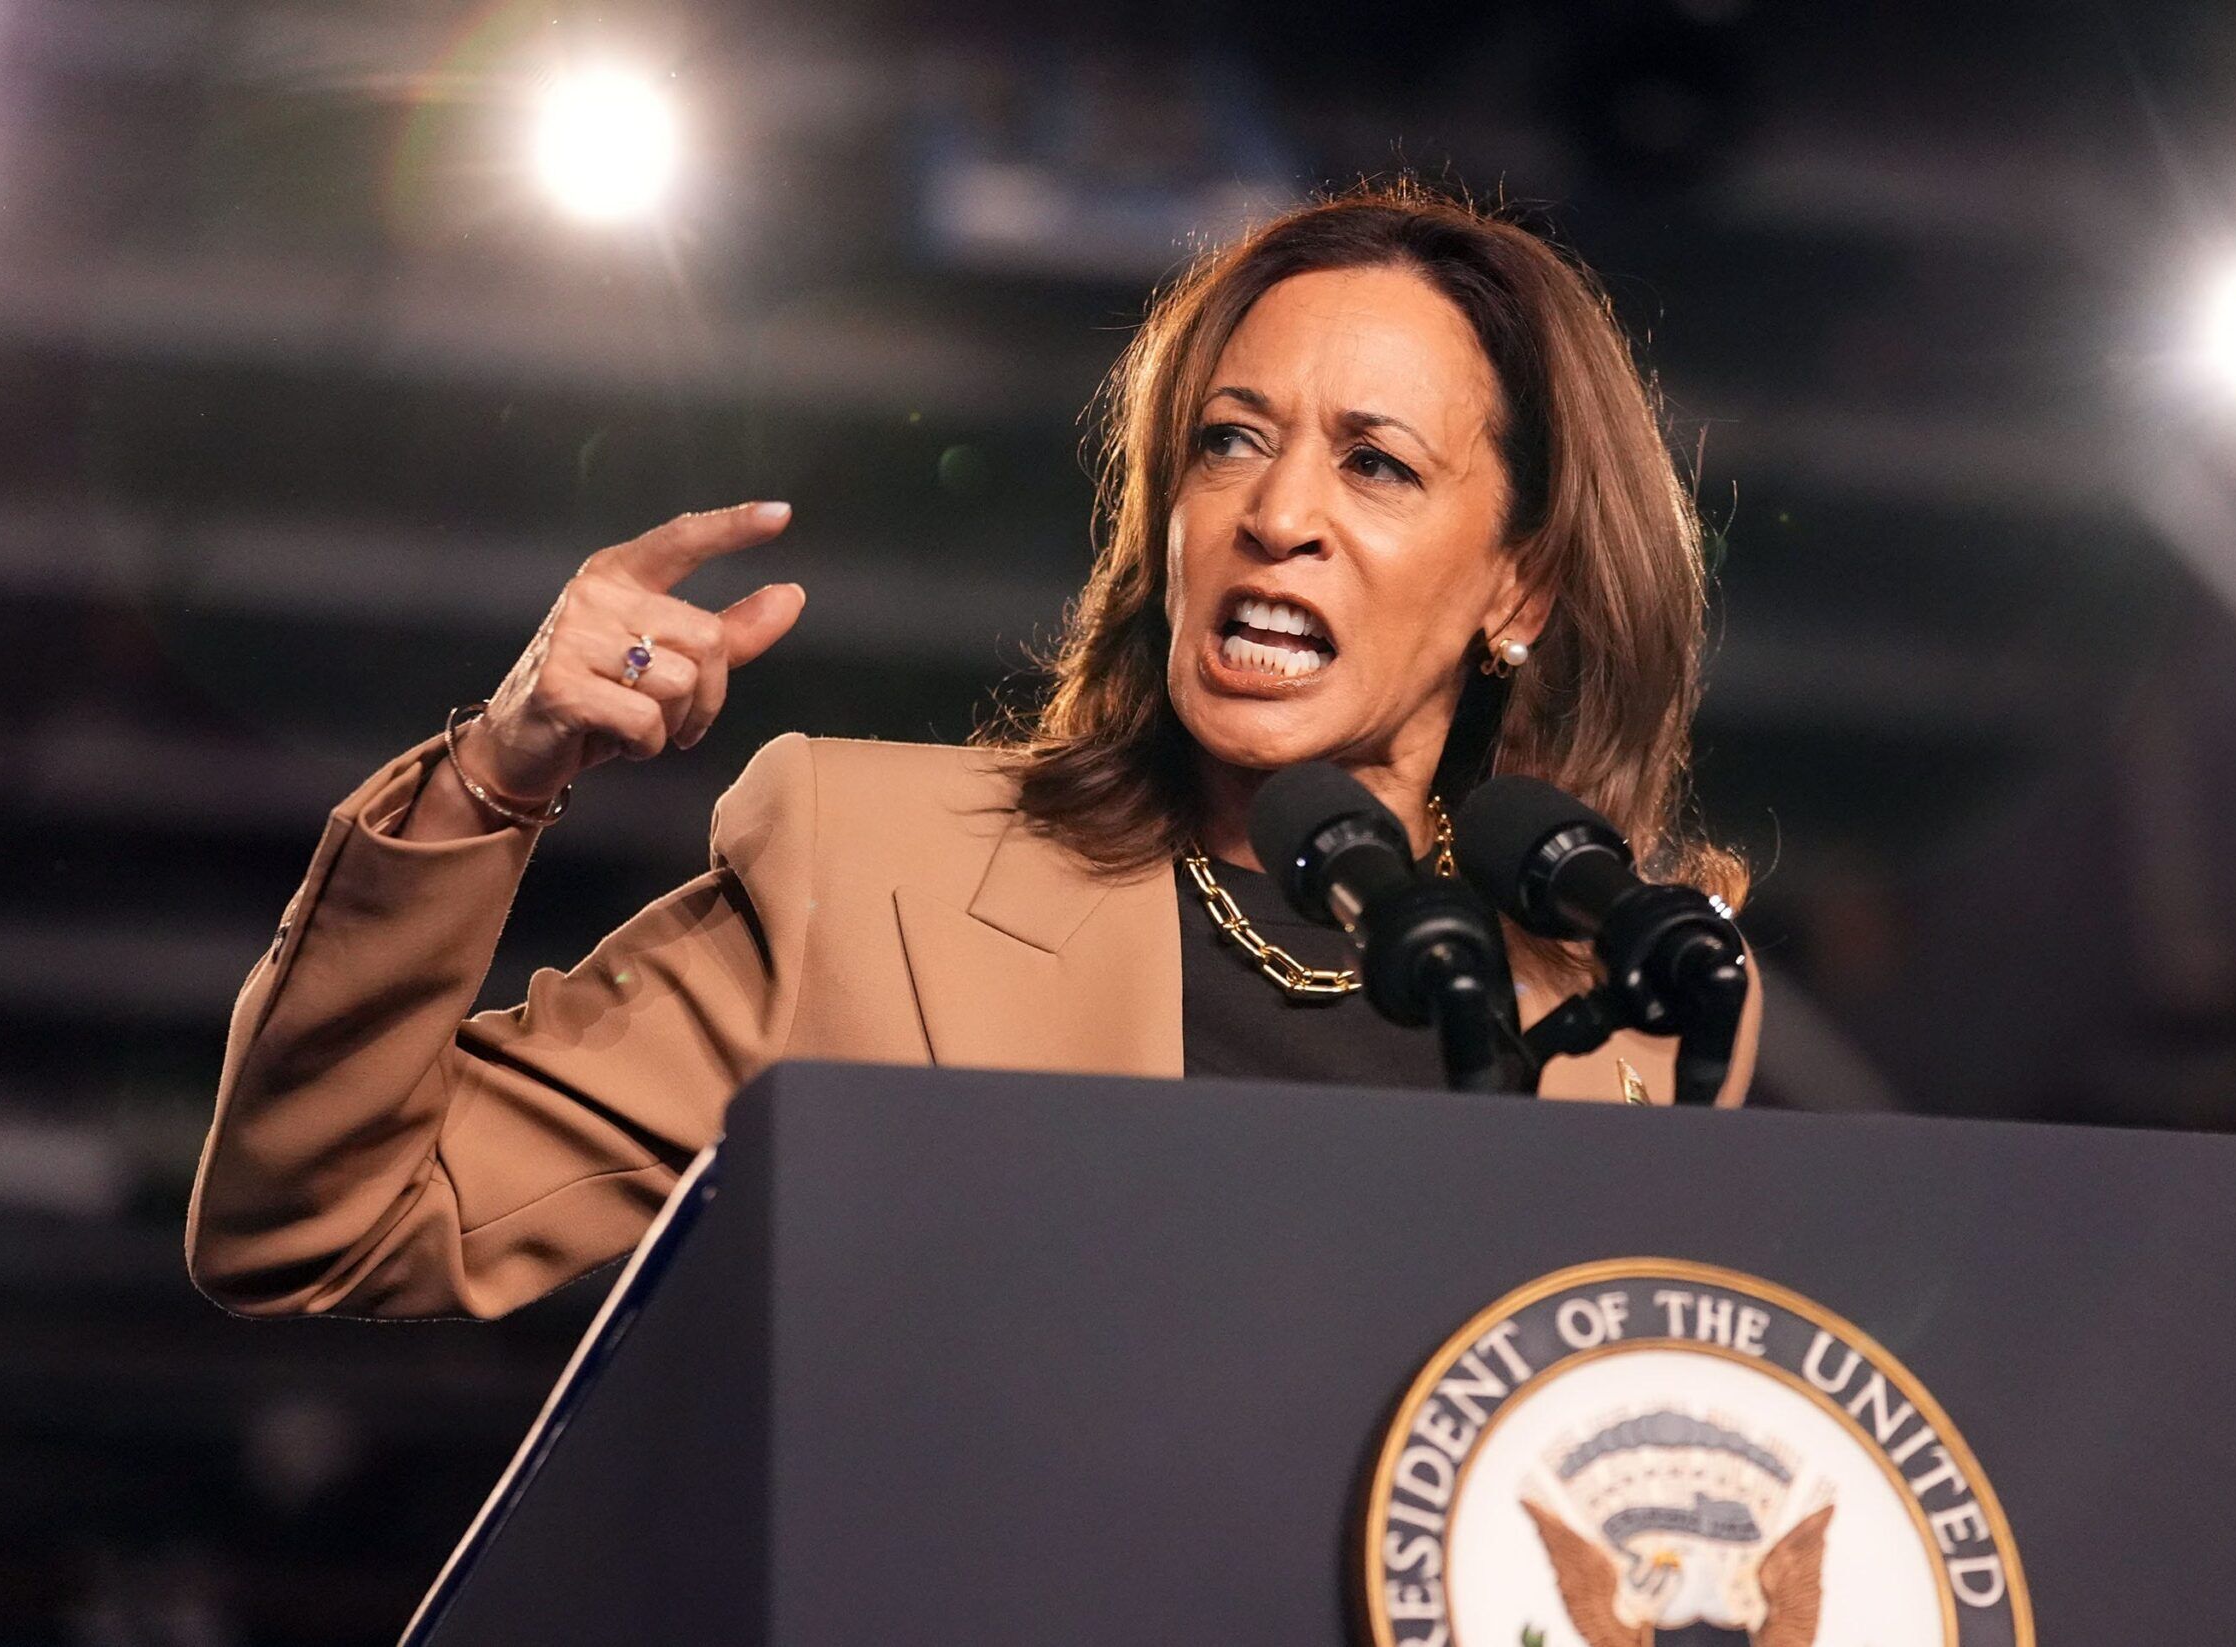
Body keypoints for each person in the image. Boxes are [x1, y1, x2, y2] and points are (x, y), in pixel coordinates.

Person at [185, 183, 1761, 1321]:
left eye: (1376, 464)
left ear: (1520, 587)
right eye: (1230, 438)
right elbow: (322, 1227)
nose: (1277, 517)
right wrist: (493, 779)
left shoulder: (1640, 1005)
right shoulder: (877, 877)